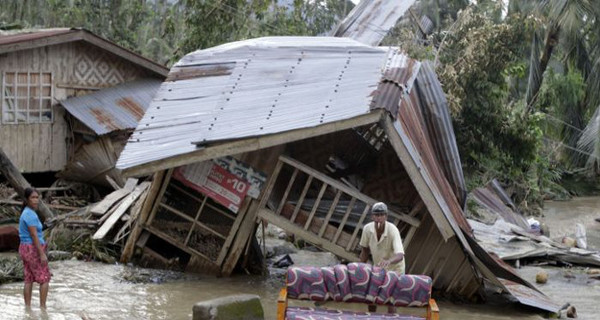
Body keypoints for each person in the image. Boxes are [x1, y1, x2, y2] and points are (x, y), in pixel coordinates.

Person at [359, 202, 405, 313]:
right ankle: (371, 316)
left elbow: (400, 255)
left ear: (386, 216)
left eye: (382, 215)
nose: (379, 217)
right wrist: (360, 267)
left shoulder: (392, 230)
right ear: (372, 216)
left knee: (390, 299)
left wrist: (389, 261)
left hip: (395, 268)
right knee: (371, 297)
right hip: (378, 268)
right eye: (376, 215)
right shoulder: (367, 229)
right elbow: (365, 250)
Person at [18, 187, 51, 309]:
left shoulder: (27, 212)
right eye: (33, 197)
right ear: (26, 200)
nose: (36, 200)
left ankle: (28, 308)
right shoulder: (29, 214)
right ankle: (43, 309)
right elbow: (33, 235)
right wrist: (42, 254)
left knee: (28, 279)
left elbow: (34, 231)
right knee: (45, 278)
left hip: (25, 248)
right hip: (33, 249)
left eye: (37, 197)